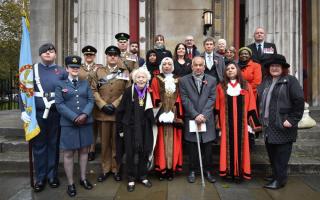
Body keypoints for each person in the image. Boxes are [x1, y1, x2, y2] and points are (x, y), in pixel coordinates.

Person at [258, 54, 304, 189]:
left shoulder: (290, 81)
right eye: (272, 66)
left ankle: (280, 180)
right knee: (272, 153)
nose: (274, 68)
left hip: (283, 124)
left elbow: (299, 101)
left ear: (283, 68)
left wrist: (292, 120)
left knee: (281, 155)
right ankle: (276, 175)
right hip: (268, 125)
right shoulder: (266, 80)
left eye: (277, 66)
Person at [55, 55, 94, 197]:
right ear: (67, 68)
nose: (75, 69)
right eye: (72, 67)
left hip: (85, 122)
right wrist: (74, 117)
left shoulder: (85, 83)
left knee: (84, 152)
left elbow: (91, 100)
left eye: (77, 67)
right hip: (68, 124)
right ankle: (70, 183)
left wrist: (84, 114)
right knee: (68, 153)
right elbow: (59, 105)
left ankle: (83, 178)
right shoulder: (61, 85)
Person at [91, 45, 131, 182]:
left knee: (116, 144)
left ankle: (116, 169)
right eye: (110, 54)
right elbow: (93, 90)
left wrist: (114, 105)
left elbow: (127, 91)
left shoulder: (124, 72)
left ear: (118, 57)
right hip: (102, 114)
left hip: (117, 113)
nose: (112, 57)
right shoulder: (99, 71)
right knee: (104, 144)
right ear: (106, 57)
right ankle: (105, 169)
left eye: (115, 54)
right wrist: (102, 105)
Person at [215, 62, 261, 181]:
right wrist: (218, 125)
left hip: (242, 124)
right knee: (226, 148)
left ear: (237, 70)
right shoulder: (220, 87)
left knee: (242, 149)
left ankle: (240, 173)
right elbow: (217, 107)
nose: (230, 70)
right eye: (228, 69)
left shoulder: (246, 86)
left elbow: (251, 105)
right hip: (226, 126)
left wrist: (252, 124)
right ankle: (228, 173)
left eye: (232, 68)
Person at [179, 56, 217, 184]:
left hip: (207, 118)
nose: (198, 67)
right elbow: (185, 99)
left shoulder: (212, 80)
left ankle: (208, 171)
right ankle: (192, 171)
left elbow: (212, 99)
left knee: (207, 148)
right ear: (192, 66)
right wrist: (195, 115)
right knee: (193, 147)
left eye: (201, 65)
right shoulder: (184, 80)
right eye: (196, 65)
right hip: (192, 118)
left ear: (204, 67)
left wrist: (204, 115)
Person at [116, 67, 154, 192]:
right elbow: (120, 110)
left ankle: (143, 176)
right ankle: (131, 178)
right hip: (130, 127)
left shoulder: (149, 92)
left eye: (143, 77)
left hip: (144, 127)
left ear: (147, 79)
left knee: (144, 151)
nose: (141, 79)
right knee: (130, 153)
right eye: (138, 77)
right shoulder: (128, 92)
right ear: (134, 79)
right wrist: (120, 128)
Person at [151, 57, 184, 181]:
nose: (167, 66)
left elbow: (180, 96)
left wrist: (174, 113)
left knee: (175, 143)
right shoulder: (156, 79)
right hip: (161, 117)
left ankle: (171, 169)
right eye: (164, 64)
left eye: (169, 64)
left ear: (173, 66)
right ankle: (162, 169)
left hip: (174, 116)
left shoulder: (178, 80)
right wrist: (161, 113)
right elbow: (154, 96)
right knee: (160, 143)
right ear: (161, 66)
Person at [80, 45, 103, 161]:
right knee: (83, 124)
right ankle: (84, 147)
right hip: (82, 100)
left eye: (91, 55)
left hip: (94, 100)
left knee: (93, 125)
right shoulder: (78, 68)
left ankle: (92, 149)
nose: (89, 56)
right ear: (84, 56)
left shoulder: (100, 68)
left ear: (94, 56)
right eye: (87, 55)